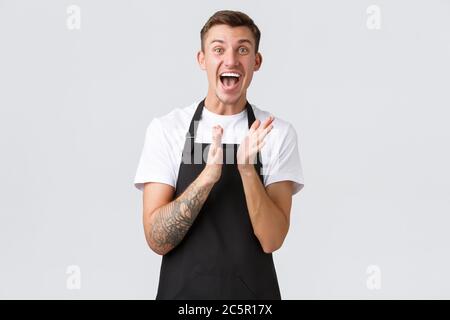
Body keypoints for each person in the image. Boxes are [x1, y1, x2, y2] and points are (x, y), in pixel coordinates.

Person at [134, 10, 305, 300]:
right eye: (218, 49)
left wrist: (247, 170)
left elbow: (272, 239)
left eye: (242, 49)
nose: (231, 60)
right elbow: (157, 239)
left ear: (256, 61)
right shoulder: (168, 129)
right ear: (202, 59)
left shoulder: (275, 133)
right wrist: (207, 177)